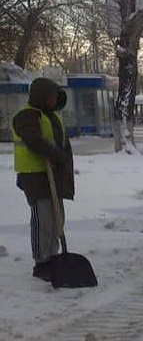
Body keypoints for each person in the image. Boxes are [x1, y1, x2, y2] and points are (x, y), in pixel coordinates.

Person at [11, 77, 74, 282]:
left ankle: (52, 255)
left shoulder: (50, 116)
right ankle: (42, 262)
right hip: (34, 175)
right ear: (41, 96)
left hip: (53, 174)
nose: (54, 100)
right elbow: (34, 140)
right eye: (51, 96)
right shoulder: (26, 116)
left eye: (56, 96)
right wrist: (54, 154)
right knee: (43, 217)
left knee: (56, 216)